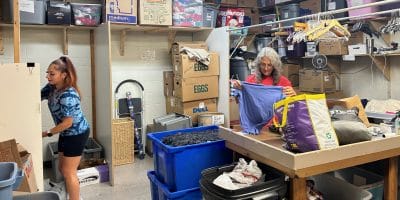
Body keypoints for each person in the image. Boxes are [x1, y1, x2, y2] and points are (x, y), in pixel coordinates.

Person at [41, 56, 90, 200]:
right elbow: (35, 95)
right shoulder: (51, 88)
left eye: (52, 74)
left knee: (69, 172)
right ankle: (69, 193)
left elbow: (68, 123)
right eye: (47, 72)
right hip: (66, 132)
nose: (47, 76)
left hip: (76, 134)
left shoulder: (68, 94)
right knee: (62, 168)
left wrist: (46, 133)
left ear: (63, 75)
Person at [232, 47, 296, 97]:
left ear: (275, 66)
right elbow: (241, 100)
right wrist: (239, 89)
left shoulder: (283, 82)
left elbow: (292, 106)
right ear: (259, 64)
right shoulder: (250, 81)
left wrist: (294, 96)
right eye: (263, 64)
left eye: (269, 65)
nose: (266, 68)